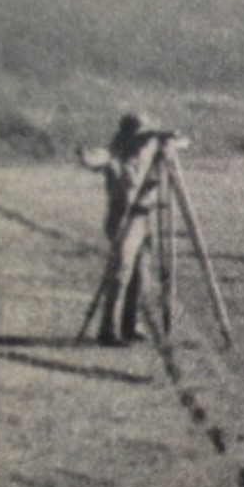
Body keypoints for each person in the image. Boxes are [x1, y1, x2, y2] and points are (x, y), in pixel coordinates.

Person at [78, 113, 164, 346]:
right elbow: (97, 159)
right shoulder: (116, 157)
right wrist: (87, 157)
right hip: (124, 221)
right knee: (120, 275)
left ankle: (131, 324)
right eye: (142, 137)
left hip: (146, 219)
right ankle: (109, 330)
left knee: (141, 277)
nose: (146, 141)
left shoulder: (148, 152)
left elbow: (177, 144)